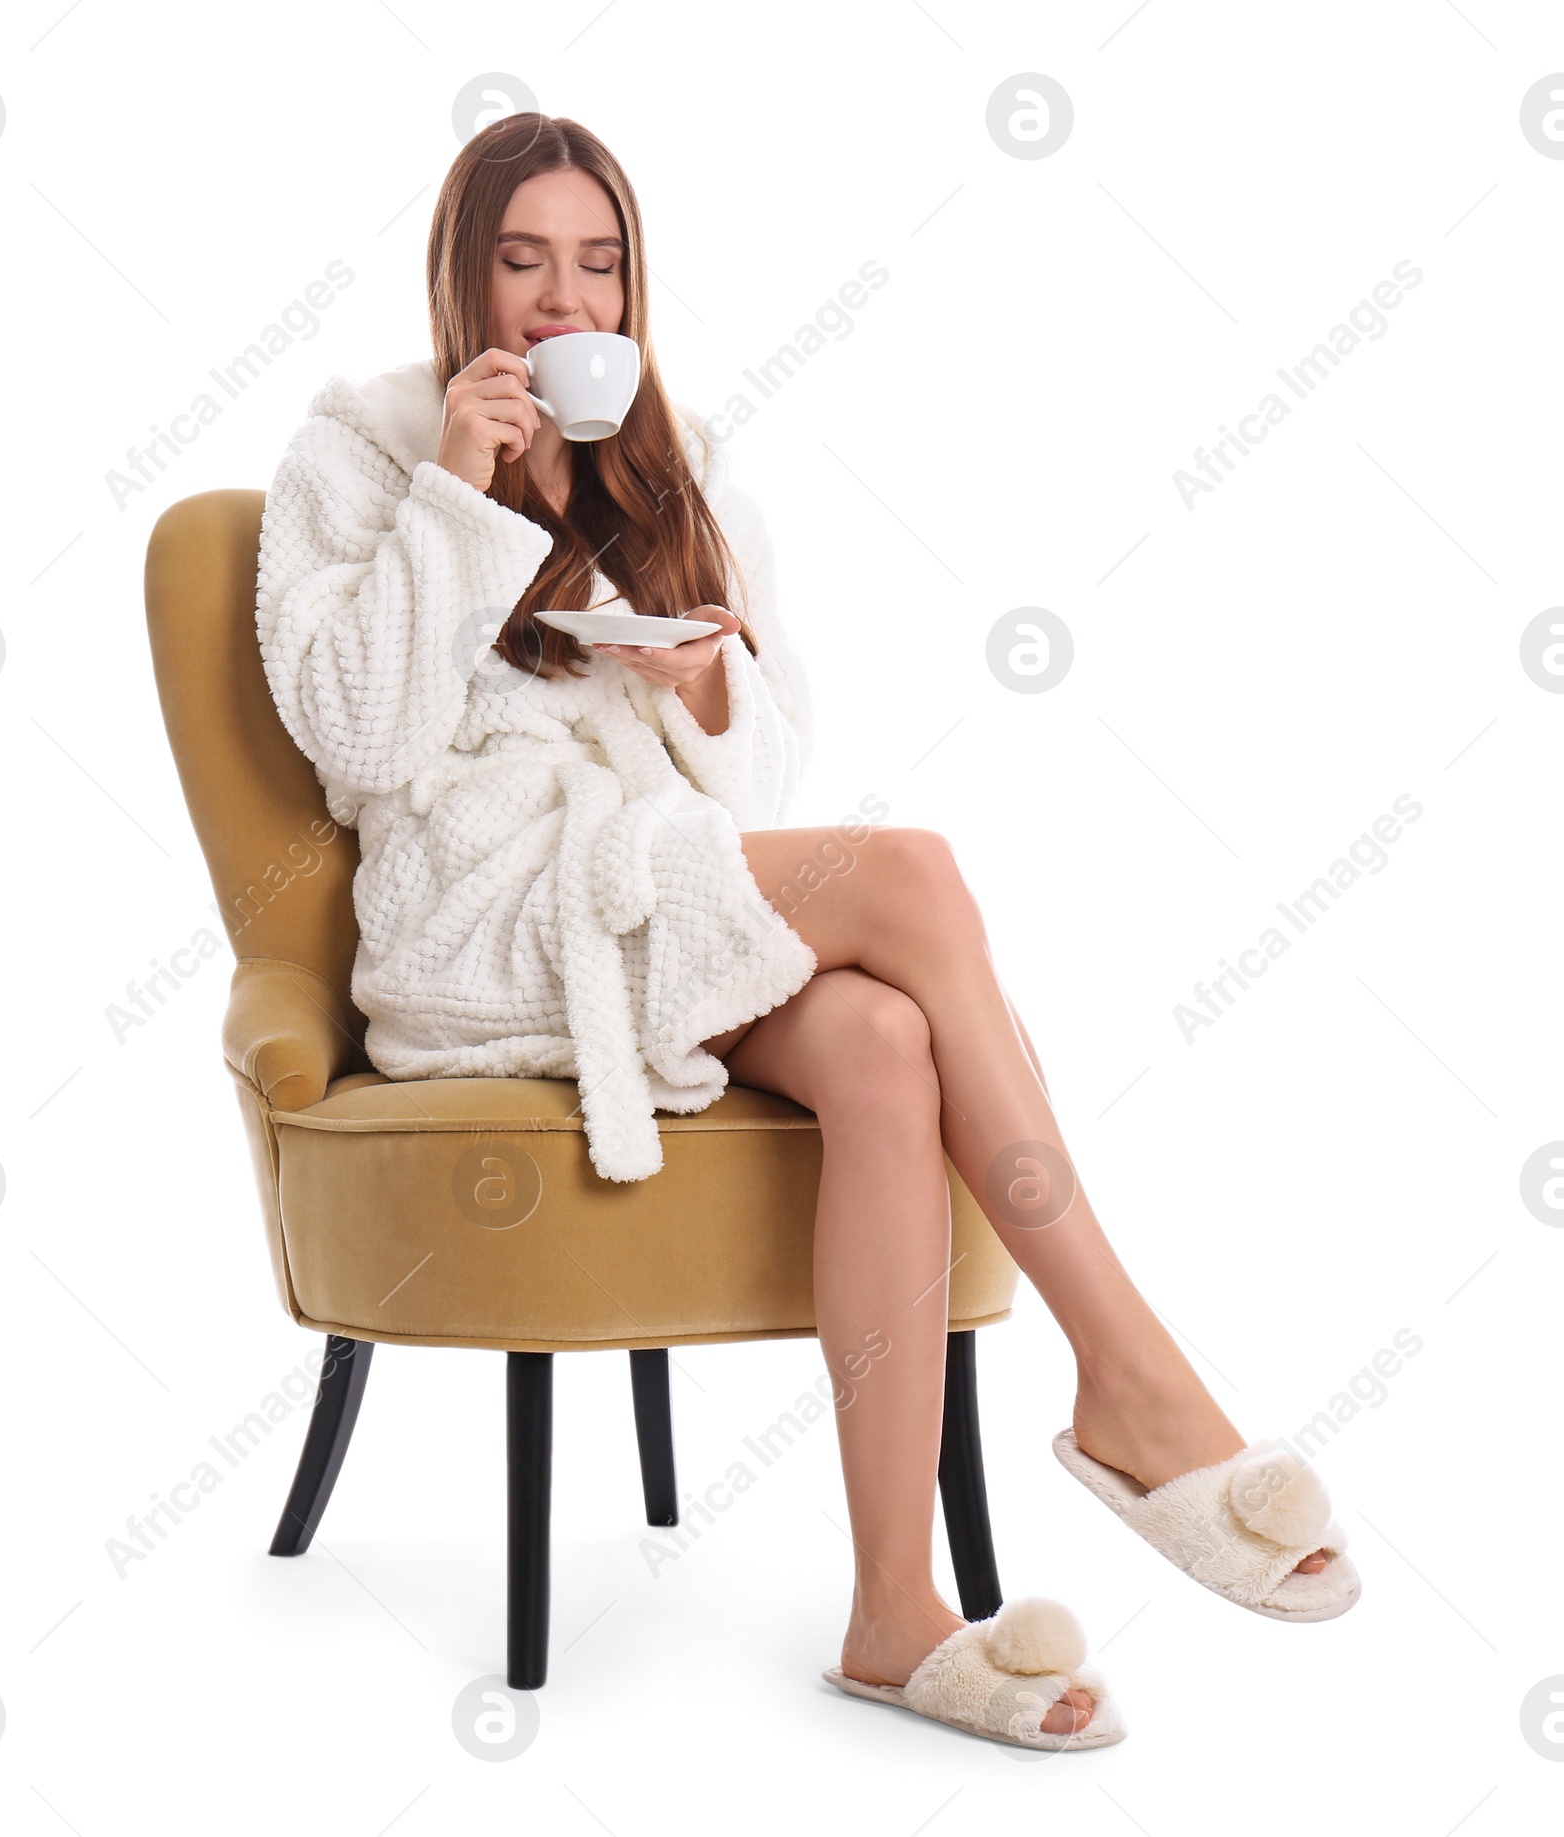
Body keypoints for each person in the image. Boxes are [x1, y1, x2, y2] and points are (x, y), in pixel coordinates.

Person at [256, 112, 1357, 1753]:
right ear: (462, 272)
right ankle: (1136, 1385)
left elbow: (765, 772)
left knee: (885, 1037)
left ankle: (893, 1612)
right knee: (910, 876)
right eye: (524, 260)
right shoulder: (359, 450)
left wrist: (703, 677)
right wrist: (455, 492)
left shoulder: (669, 462)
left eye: (600, 263)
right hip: (478, 925)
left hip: (639, 898)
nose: (567, 301)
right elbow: (358, 742)